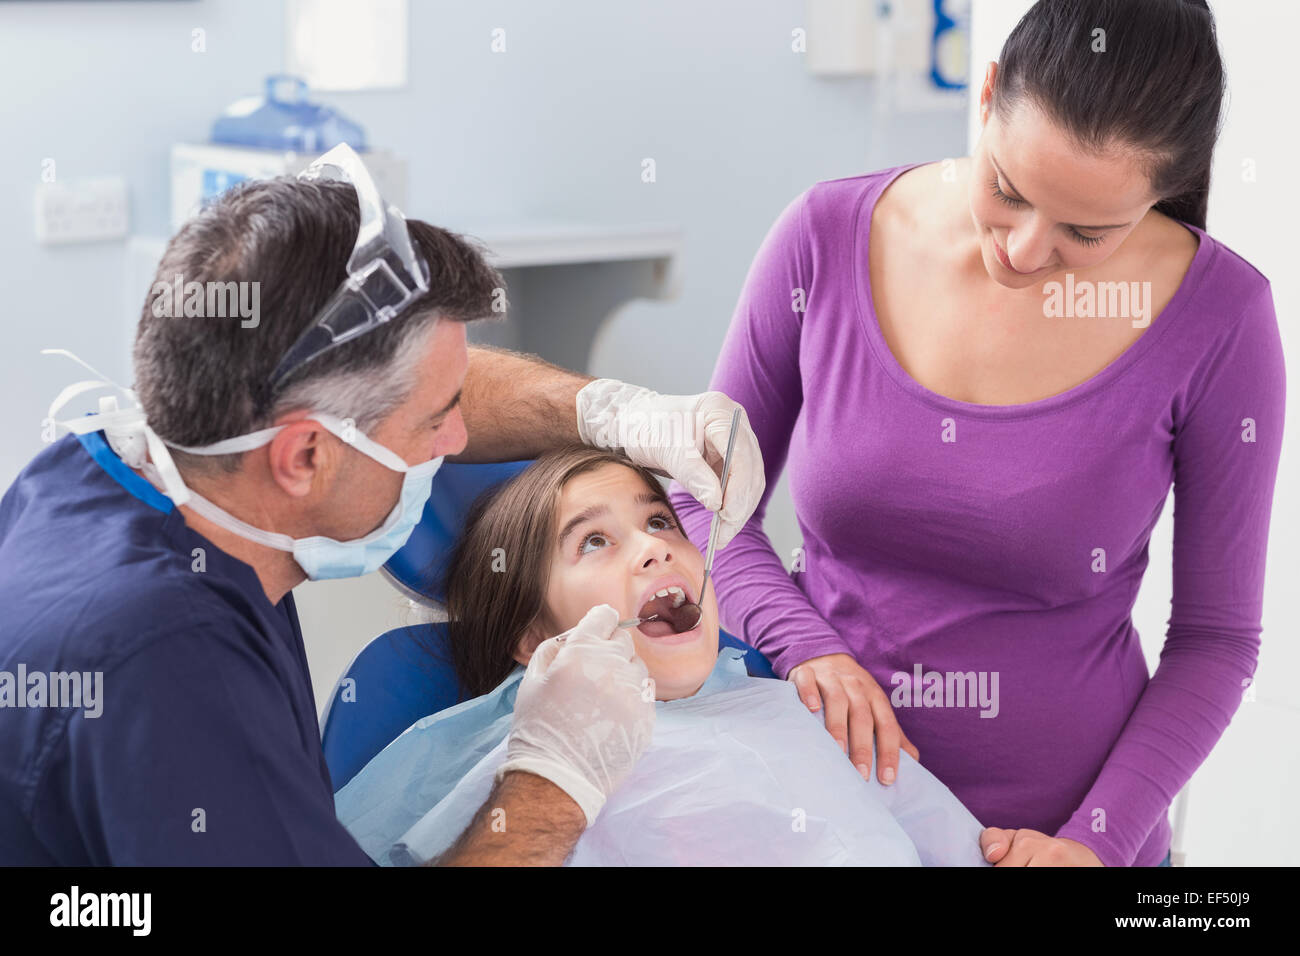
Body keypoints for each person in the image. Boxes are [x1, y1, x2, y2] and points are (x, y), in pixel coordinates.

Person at [0, 146, 764, 865]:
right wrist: (555, 778)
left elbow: (410, 374)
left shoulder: (118, 464)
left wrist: (610, 413)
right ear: (304, 457)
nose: (462, 438)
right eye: (438, 422)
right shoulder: (173, 675)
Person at [667, 0, 1284, 867]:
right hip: (818, 806)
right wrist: (800, 642)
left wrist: (1093, 846)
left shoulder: (1222, 320)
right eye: (1009, 190)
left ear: (1158, 195)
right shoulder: (824, 236)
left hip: (1060, 834)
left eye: (1087, 232)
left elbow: (1217, 641)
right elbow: (703, 496)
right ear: (987, 94)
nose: (1027, 252)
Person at [334, 445, 989, 866]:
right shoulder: (533, 769)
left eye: (659, 522)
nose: (655, 549)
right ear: (536, 640)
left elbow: (957, 846)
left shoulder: (808, 712)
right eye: (593, 542)